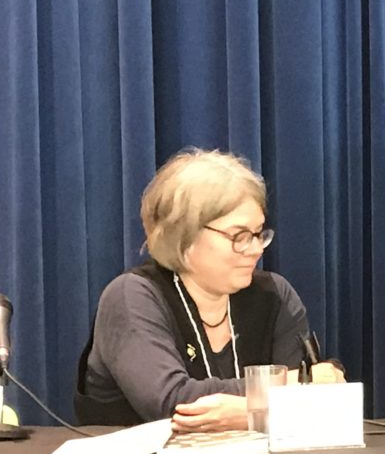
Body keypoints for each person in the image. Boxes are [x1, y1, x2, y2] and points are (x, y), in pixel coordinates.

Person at [75, 149, 342, 429]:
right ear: (183, 236)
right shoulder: (132, 296)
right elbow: (173, 403)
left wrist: (252, 409)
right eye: (239, 235)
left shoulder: (275, 295)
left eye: (258, 233)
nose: (255, 249)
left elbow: (311, 407)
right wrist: (282, 391)